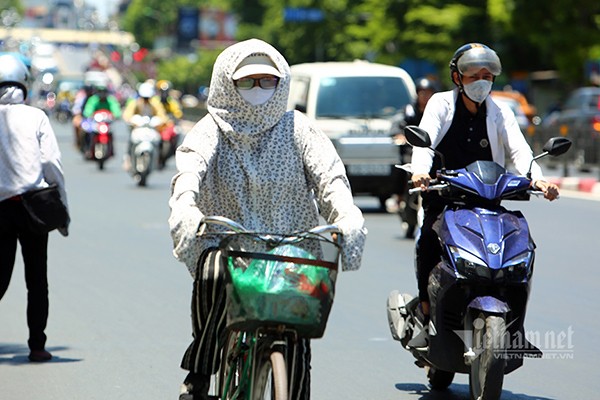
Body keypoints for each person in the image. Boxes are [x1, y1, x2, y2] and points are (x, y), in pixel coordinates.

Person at [168, 38, 367, 400]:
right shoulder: (211, 128)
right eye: (246, 82)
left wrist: (345, 215)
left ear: (282, 83)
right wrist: (186, 206)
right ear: (227, 83)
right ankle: (201, 369)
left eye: (267, 81)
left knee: (302, 321)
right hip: (230, 246)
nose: (257, 90)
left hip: (291, 250)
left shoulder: (300, 129)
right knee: (212, 275)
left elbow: (331, 179)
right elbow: (189, 170)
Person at [407, 43, 559, 350]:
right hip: (443, 196)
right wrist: (420, 171)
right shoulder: (441, 104)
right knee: (427, 246)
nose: (482, 81)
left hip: (485, 199)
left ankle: (514, 324)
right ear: (457, 77)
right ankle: (425, 314)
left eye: (487, 75)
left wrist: (539, 180)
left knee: (518, 246)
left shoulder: (499, 111)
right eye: (474, 74)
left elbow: (519, 150)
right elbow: (424, 143)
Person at [0, 54, 69, 362]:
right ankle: (37, 346)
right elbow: (52, 164)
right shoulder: (36, 117)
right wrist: (62, 209)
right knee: (37, 281)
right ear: (24, 85)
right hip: (33, 208)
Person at [390, 77, 440, 238]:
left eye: (429, 93)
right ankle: (398, 197)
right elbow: (399, 125)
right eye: (422, 93)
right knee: (401, 167)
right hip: (411, 152)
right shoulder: (410, 110)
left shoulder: (438, 110)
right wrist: (400, 135)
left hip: (433, 152)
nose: (425, 96)